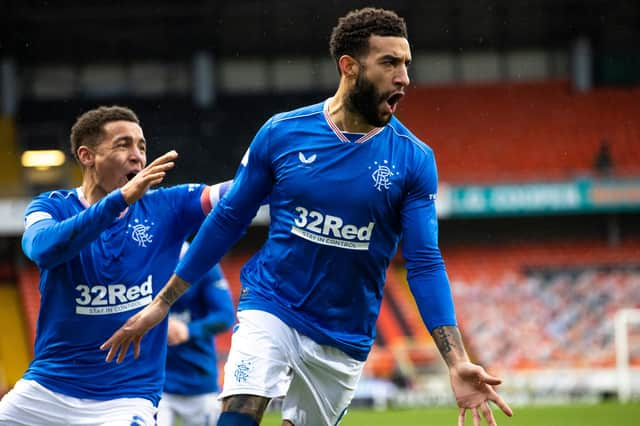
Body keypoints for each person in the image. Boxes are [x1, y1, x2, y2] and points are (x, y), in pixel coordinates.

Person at [102, 8, 514, 426]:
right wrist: (164, 301)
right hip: (272, 303)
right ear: (349, 68)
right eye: (390, 62)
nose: (404, 77)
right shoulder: (282, 134)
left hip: (344, 332)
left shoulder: (414, 160)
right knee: (240, 411)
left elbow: (424, 262)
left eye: (407, 64)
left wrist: (457, 360)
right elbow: (228, 218)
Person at [0, 105, 233, 426]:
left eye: (142, 146)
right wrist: (118, 201)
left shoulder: (168, 206)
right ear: (87, 156)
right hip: (47, 389)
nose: (137, 155)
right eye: (123, 144)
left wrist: (274, 163)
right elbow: (42, 249)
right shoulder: (52, 206)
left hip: (124, 399)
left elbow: (239, 192)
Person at [157, 241, 235, 426]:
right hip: (155, 381)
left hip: (197, 379)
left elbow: (225, 316)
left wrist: (188, 330)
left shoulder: (204, 263)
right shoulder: (144, 260)